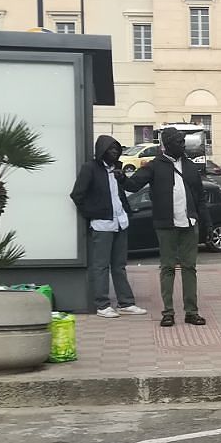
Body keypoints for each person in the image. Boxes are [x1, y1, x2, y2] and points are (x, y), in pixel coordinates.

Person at [122, 126, 205, 328]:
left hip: (189, 223)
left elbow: (200, 198)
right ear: (166, 145)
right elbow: (132, 186)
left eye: (183, 141)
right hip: (166, 225)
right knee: (167, 268)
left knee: (189, 268)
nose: (182, 145)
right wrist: (119, 176)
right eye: (178, 142)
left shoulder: (190, 166)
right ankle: (168, 312)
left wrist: (206, 224)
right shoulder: (154, 166)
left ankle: (191, 312)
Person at [71, 135, 145, 319]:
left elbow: (129, 189)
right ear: (102, 151)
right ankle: (102, 305)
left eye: (117, 149)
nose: (115, 152)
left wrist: (123, 179)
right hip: (102, 224)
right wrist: (94, 213)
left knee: (119, 266)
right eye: (111, 149)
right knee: (101, 266)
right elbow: (77, 195)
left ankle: (126, 303)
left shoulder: (117, 169)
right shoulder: (90, 168)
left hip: (120, 222)